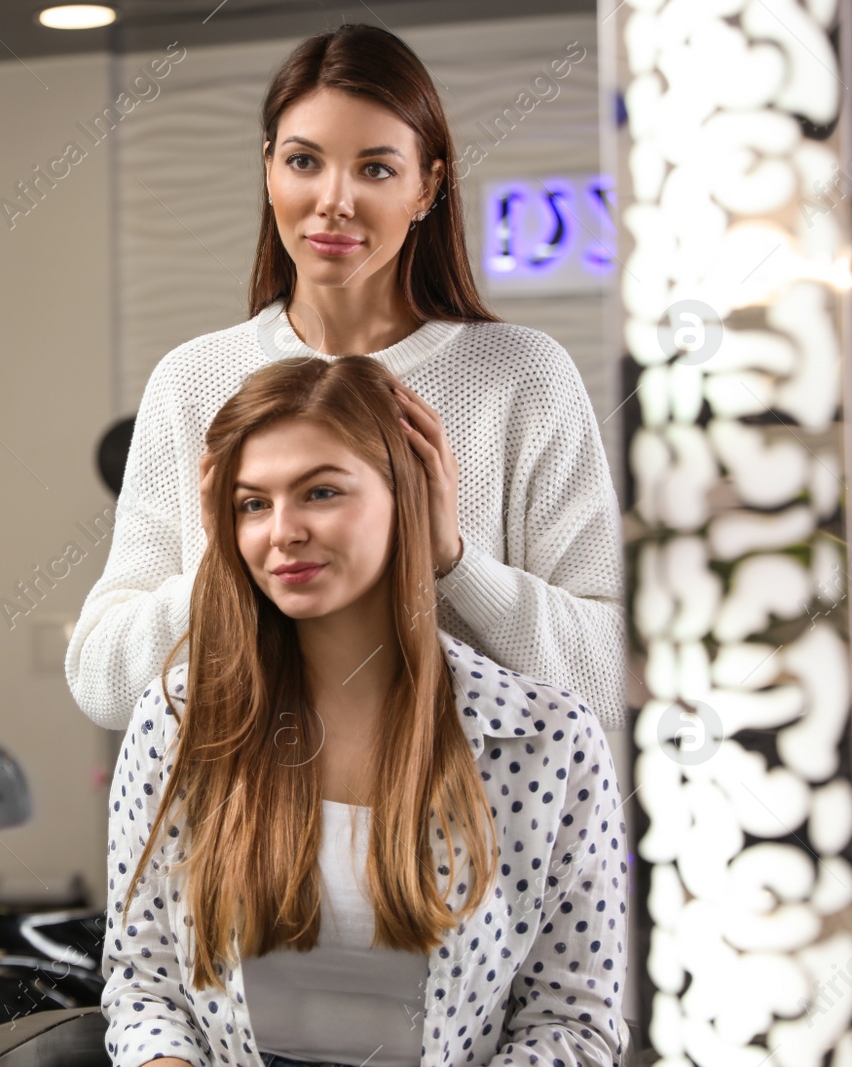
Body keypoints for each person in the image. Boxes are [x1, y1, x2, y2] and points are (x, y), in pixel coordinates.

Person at [66, 23, 627, 733]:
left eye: (376, 168)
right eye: (304, 162)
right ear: (268, 169)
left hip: (474, 832)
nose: (335, 200)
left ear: (428, 186)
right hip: (253, 838)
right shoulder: (192, 381)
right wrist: (224, 565)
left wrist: (453, 562)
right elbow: (103, 686)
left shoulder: (521, 377)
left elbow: (609, 678)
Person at [101, 355, 629, 1067]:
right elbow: (144, 984)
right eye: (252, 503)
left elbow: (572, 1020)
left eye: (319, 492)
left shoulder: (546, 741)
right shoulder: (180, 720)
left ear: (406, 496)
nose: (281, 529)